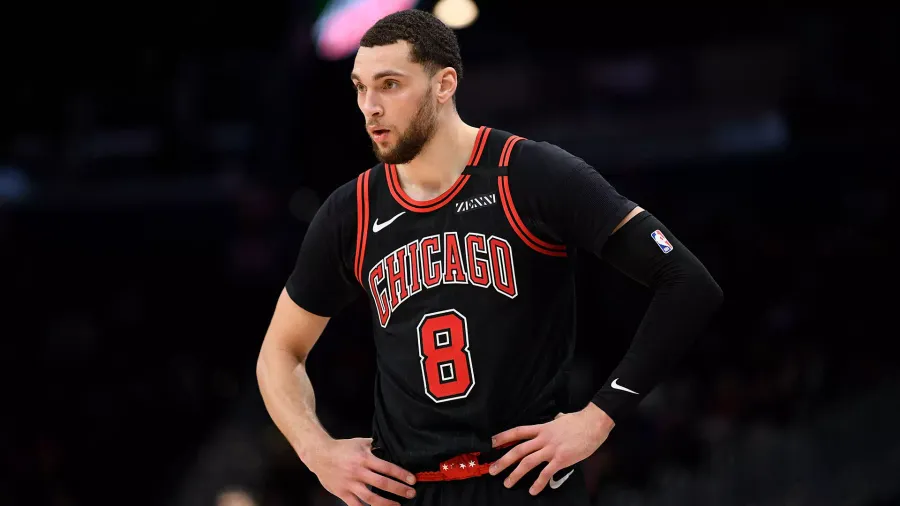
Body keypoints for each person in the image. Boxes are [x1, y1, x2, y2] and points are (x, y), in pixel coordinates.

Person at [256, 8, 723, 506]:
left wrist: (599, 416)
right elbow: (278, 353)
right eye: (360, 88)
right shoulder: (351, 211)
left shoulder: (530, 173)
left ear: (444, 84)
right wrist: (316, 450)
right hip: (409, 490)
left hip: (526, 485)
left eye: (389, 85)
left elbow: (687, 281)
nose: (369, 106)